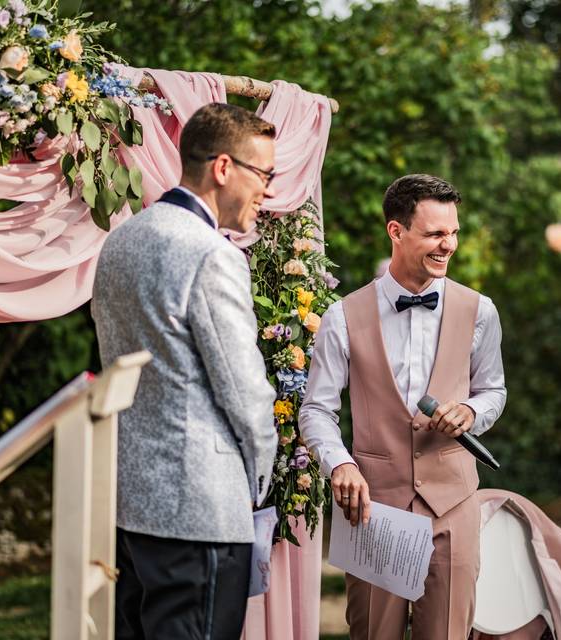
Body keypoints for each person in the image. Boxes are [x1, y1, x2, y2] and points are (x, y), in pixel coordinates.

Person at [92, 103, 279, 640]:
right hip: (201, 509)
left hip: (129, 503)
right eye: (264, 174)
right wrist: (258, 480)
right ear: (224, 168)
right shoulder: (212, 254)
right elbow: (244, 392)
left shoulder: (121, 241)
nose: (267, 189)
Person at [299, 174, 507, 639]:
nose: (447, 244)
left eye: (453, 232)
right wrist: (340, 464)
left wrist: (472, 413)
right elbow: (316, 409)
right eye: (435, 233)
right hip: (373, 510)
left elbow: (494, 390)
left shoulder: (481, 311)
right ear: (396, 232)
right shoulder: (342, 317)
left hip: (454, 505)